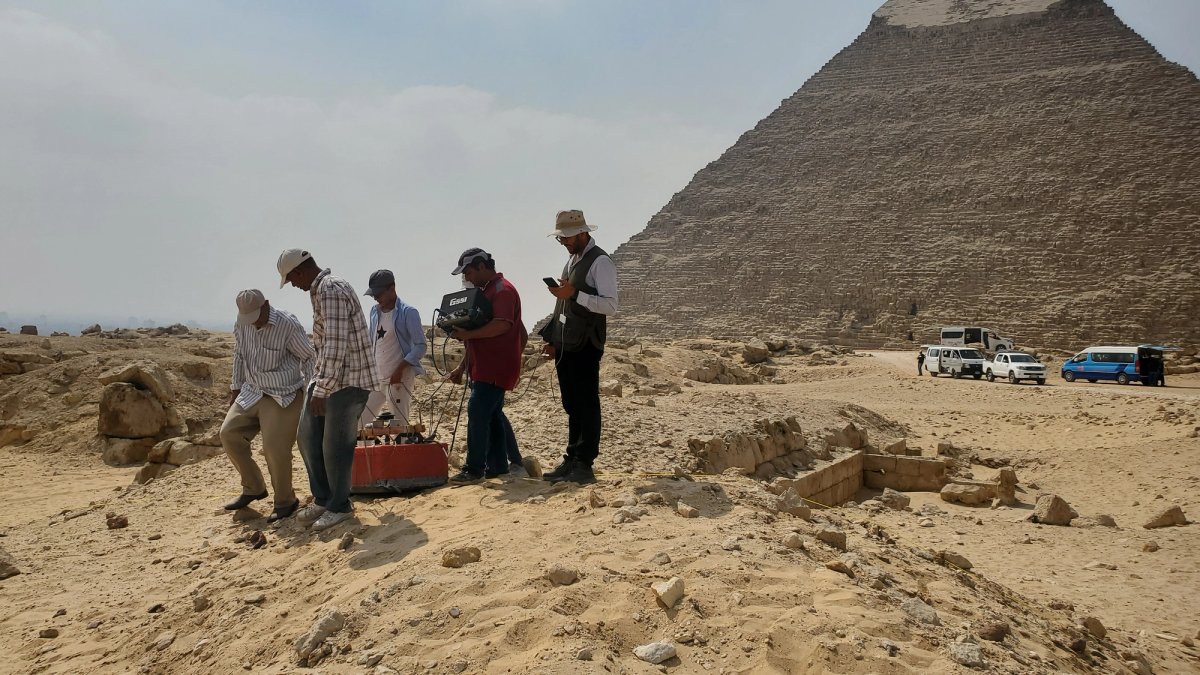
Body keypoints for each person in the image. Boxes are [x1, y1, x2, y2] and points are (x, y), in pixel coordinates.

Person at [277, 249, 378, 531]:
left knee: (335, 446)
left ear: (300, 271)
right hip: (328, 379)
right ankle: (323, 498)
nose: (293, 285)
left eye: (291, 279)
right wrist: (319, 385)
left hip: (348, 381)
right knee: (307, 437)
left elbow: (335, 343)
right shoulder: (320, 289)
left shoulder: (330, 289)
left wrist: (323, 389)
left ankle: (339, 505)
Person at [219, 289, 315, 522]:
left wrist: (313, 394)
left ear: (266, 305)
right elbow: (239, 354)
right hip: (252, 391)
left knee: (274, 449)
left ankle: (286, 501)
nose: (252, 323)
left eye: (255, 317)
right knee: (228, 434)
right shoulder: (243, 323)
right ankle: (253, 487)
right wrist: (235, 387)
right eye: (247, 318)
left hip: (284, 394)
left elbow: (310, 358)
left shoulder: (287, 324)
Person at [538, 210, 618, 485]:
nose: (564, 243)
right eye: (561, 239)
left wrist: (576, 294)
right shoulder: (571, 261)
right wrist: (554, 340)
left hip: (586, 343)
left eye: (568, 238)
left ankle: (585, 462)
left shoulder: (601, 262)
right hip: (567, 343)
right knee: (571, 404)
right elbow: (563, 307)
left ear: (583, 233)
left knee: (586, 402)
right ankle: (571, 458)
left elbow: (610, 305)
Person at [445, 248, 524, 483]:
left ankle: (474, 468)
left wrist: (470, 335)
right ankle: (498, 466)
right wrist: (462, 366)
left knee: (478, 412)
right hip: (483, 366)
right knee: (492, 415)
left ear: (481, 266)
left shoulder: (502, 291)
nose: (467, 277)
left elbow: (502, 325)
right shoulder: (487, 291)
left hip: (495, 366)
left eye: (469, 272)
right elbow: (477, 334)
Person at [362, 269, 427, 426]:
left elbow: (421, 346)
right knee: (362, 422)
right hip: (377, 379)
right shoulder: (374, 311)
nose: (376, 298)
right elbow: (373, 342)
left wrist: (400, 369)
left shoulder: (408, 312)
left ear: (392, 288)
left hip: (399, 379)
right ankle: (367, 452)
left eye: (378, 294)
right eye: (373, 295)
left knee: (399, 426)